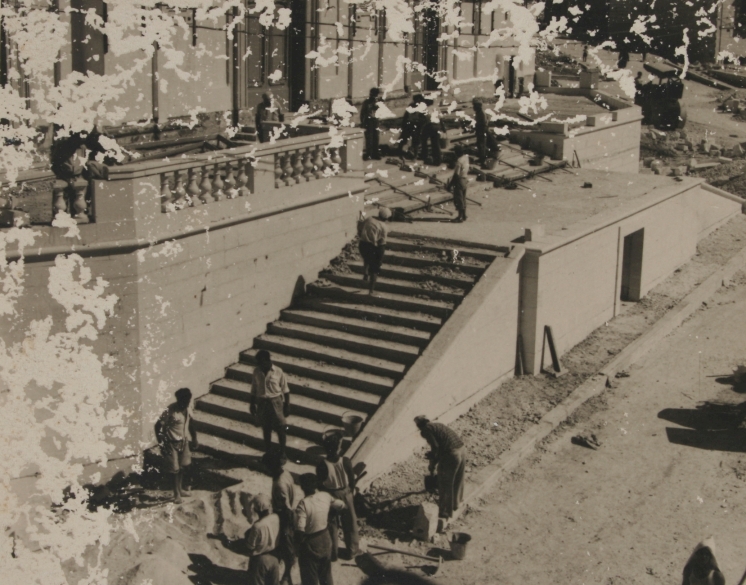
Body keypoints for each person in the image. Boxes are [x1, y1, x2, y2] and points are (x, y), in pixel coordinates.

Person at [295, 473, 346, 585]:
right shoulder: (325, 496)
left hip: (311, 541)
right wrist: (330, 515)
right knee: (326, 573)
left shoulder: (303, 504)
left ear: (302, 486)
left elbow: (300, 530)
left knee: (310, 576)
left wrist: (296, 547)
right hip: (325, 537)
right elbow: (341, 505)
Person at [316, 431, 360, 561]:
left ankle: (333, 553)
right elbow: (352, 480)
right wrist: (350, 492)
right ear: (338, 447)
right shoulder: (345, 461)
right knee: (350, 523)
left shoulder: (322, 465)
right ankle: (352, 551)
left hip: (330, 495)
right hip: (346, 493)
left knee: (332, 525)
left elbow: (320, 485)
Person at [414, 416, 465, 521]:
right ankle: (456, 504)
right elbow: (440, 446)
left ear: (419, 426)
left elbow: (435, 447)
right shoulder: (438, 425)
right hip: (462, 450)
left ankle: (445, 512)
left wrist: (432, 463)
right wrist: (434, 458)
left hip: (452, 454)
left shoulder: (425, 430)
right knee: (457, 479)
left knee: (445, 482)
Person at [264, 448, 301, 585]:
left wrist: (284, 524)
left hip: (284, 515)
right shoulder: (285, 473)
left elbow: (285, 507)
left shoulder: (279, 484)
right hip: (287, 511)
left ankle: (286, 576)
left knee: (286, 546)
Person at [155, 388, 198, 504]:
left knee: (182, 467)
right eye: (183, 401)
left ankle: (180, 489)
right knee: (174, 470)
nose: (186, 403)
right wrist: (161, 444)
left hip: (183, 442)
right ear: (179, 400)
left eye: (187, 401)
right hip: (170, 443)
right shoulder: (170, 410)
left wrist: (194, 438)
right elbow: (158, 426)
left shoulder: (188, 408)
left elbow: (191, 423)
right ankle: (176, 494)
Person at [251, 350, 291, 455]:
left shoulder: (278, 371)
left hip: (276, 402)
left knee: (280, 428)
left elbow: (285, 390)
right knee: (266, 428)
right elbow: (254, 389)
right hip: (262, 403)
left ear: (267, 360)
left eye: (261, 362)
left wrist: (287, 405)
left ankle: (282, 453)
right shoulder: (256, 371)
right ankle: (268, 452)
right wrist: (252, 404)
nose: (259, 365)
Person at [245, 493, 281, 585]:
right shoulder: (276, 518)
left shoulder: (257, 526)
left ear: (256, 510)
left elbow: (250, 547)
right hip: (274, 558)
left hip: (260, 560)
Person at [357, 207, 391, 295]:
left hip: (362, 245)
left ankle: (365, 273)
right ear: (386, 218)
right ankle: (371, 291)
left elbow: (359, 227)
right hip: (372, 246)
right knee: (375, 269)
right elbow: (382, 244)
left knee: (367, 258)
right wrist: (380, 259)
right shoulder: (383, 227)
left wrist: (362, 235)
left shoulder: (369, 219)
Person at [398, 94, 426, 159]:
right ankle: (401, 154)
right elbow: (406, 116)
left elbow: (423, 118)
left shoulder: (421, 107)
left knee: (415, 141)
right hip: (410, 124)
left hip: (415, 125)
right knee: (404, 139)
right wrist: (403, 125)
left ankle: (414, 156)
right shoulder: (412, 106)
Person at [448, 145, 470, 223]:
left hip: (459, 181)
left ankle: (460, 217)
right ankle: (464, 215)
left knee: (458, 199)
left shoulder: (459, 161)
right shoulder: (466, 158)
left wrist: (450, 185)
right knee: (463, 198)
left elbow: (456, 175)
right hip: (465, 179)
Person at [419, 99, 444, 166]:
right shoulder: (437, 108)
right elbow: (441, 119)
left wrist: (421, 129)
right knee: (436, 143)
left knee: (423, 139)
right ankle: (437, 160)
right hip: (437, 126)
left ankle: (424, 155)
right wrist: (443, 128)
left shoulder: (426, 109)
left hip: (430, 126)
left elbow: (424, 120)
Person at [361, 87, 382, 160]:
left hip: (376, 120)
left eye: (376, 95)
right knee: (369, 138)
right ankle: (369, 154)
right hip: (368, 121)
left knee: (376, 137)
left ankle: (375, 154)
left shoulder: (378, 102)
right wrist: (362, 122)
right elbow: (362, 113)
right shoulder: (366, 102)